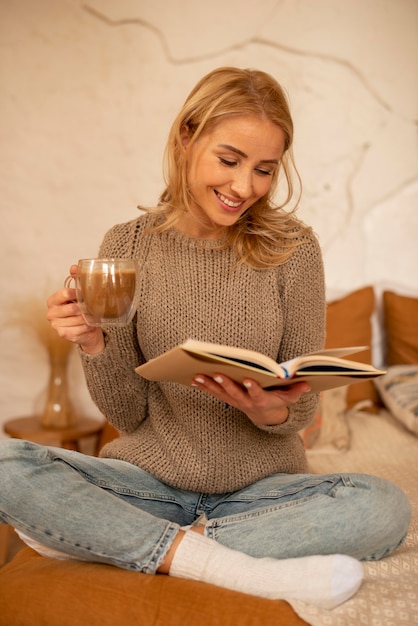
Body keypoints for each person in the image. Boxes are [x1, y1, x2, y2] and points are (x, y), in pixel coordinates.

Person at [0, 67, 411, 610]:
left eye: (265, 170)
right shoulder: (127, 244)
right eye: (229, 160)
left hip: (261, 495)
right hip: (152, 485)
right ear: (186, 136)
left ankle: (125, 544)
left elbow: (302, 390)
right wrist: (95, 344)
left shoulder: (295, 249)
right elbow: (127, 414)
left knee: (384, 508)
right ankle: (228, 565)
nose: (245, 187)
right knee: (7, 465)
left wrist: (271, 411)